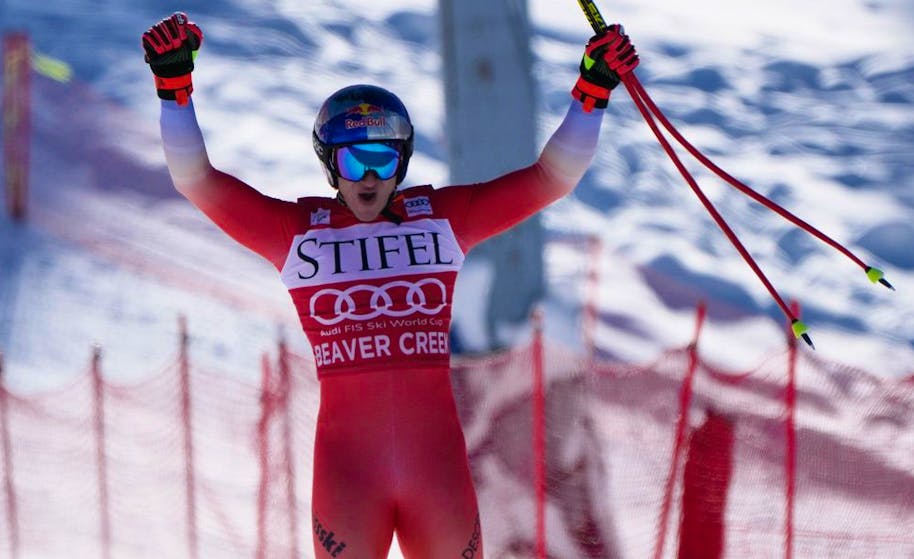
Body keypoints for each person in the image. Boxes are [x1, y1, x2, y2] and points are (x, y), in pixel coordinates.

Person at [143, 12, 638, 559]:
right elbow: (196, 180)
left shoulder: (442, 219)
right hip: (349, 480)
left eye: (382, 159)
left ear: (401, 162)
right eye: (354, 160)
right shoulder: (297, 234)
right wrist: (174, 89)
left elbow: (551, 178)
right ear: (331, 165)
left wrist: (591, 92)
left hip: (437, 476)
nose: (370, 177)